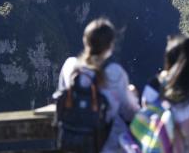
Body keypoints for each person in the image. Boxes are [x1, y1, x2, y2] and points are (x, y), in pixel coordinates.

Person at [54, 18, 140, 152]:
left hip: (70, 143)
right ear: (110, 46)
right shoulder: (115, 73)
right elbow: (130, 112)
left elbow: (62, 95)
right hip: (104, 147)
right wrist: (133, 95)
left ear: (85, 40)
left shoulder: (70, 66)